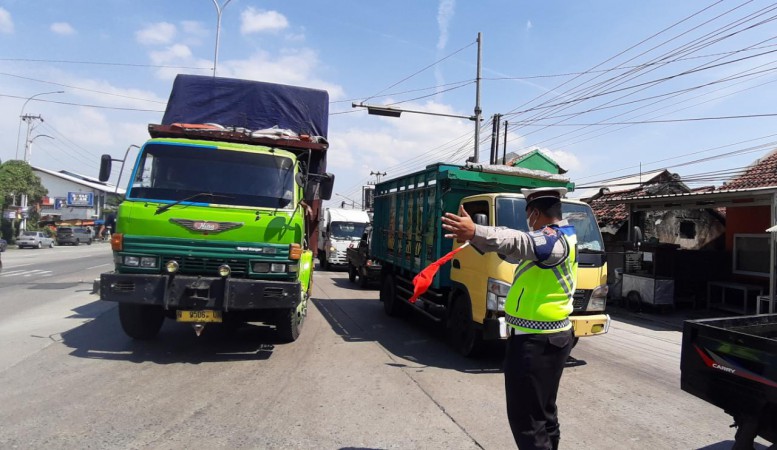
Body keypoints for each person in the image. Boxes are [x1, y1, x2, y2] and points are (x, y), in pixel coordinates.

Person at [441, 187, 577, 450]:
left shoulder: (553, 240)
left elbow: (519, 241)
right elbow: (517, 243)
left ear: (535, 213)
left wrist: (476, 231)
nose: (528, 223)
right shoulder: (566, 236)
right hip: (551, 339)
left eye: (528, 215)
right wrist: (479, 238)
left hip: (535, 344)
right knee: (544, 414)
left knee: (527, 421)